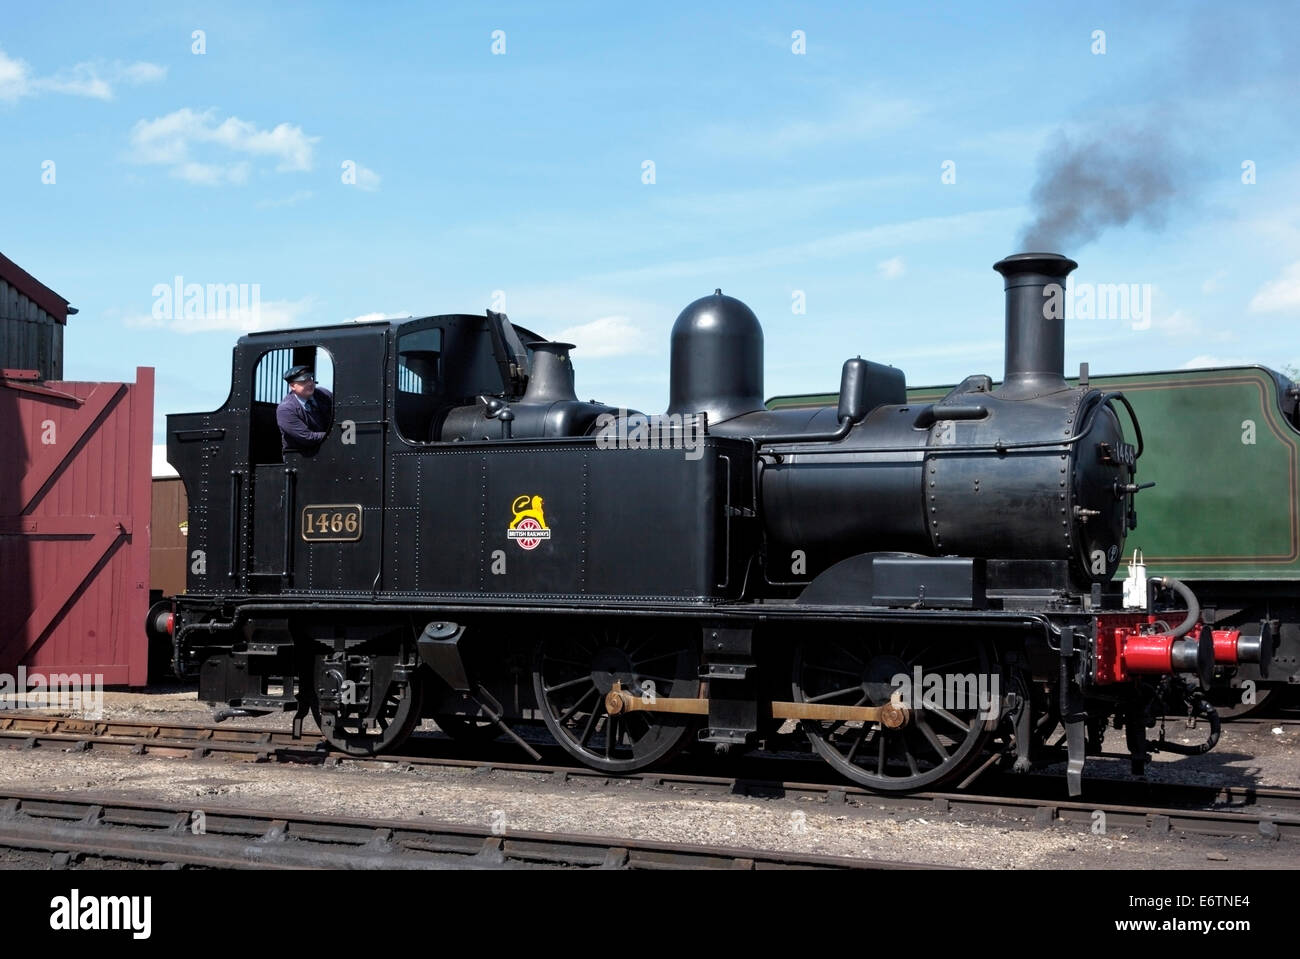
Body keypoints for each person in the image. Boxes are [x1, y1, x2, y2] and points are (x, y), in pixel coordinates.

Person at [276, 365, 334, 453]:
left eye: (310, 379)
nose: (310, 383)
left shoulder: (324, 394)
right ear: (292, 386)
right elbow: (307, 437)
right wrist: (335, 435)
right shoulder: (286, 409)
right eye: (304, 381)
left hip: (329, 449)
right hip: (302, 456)